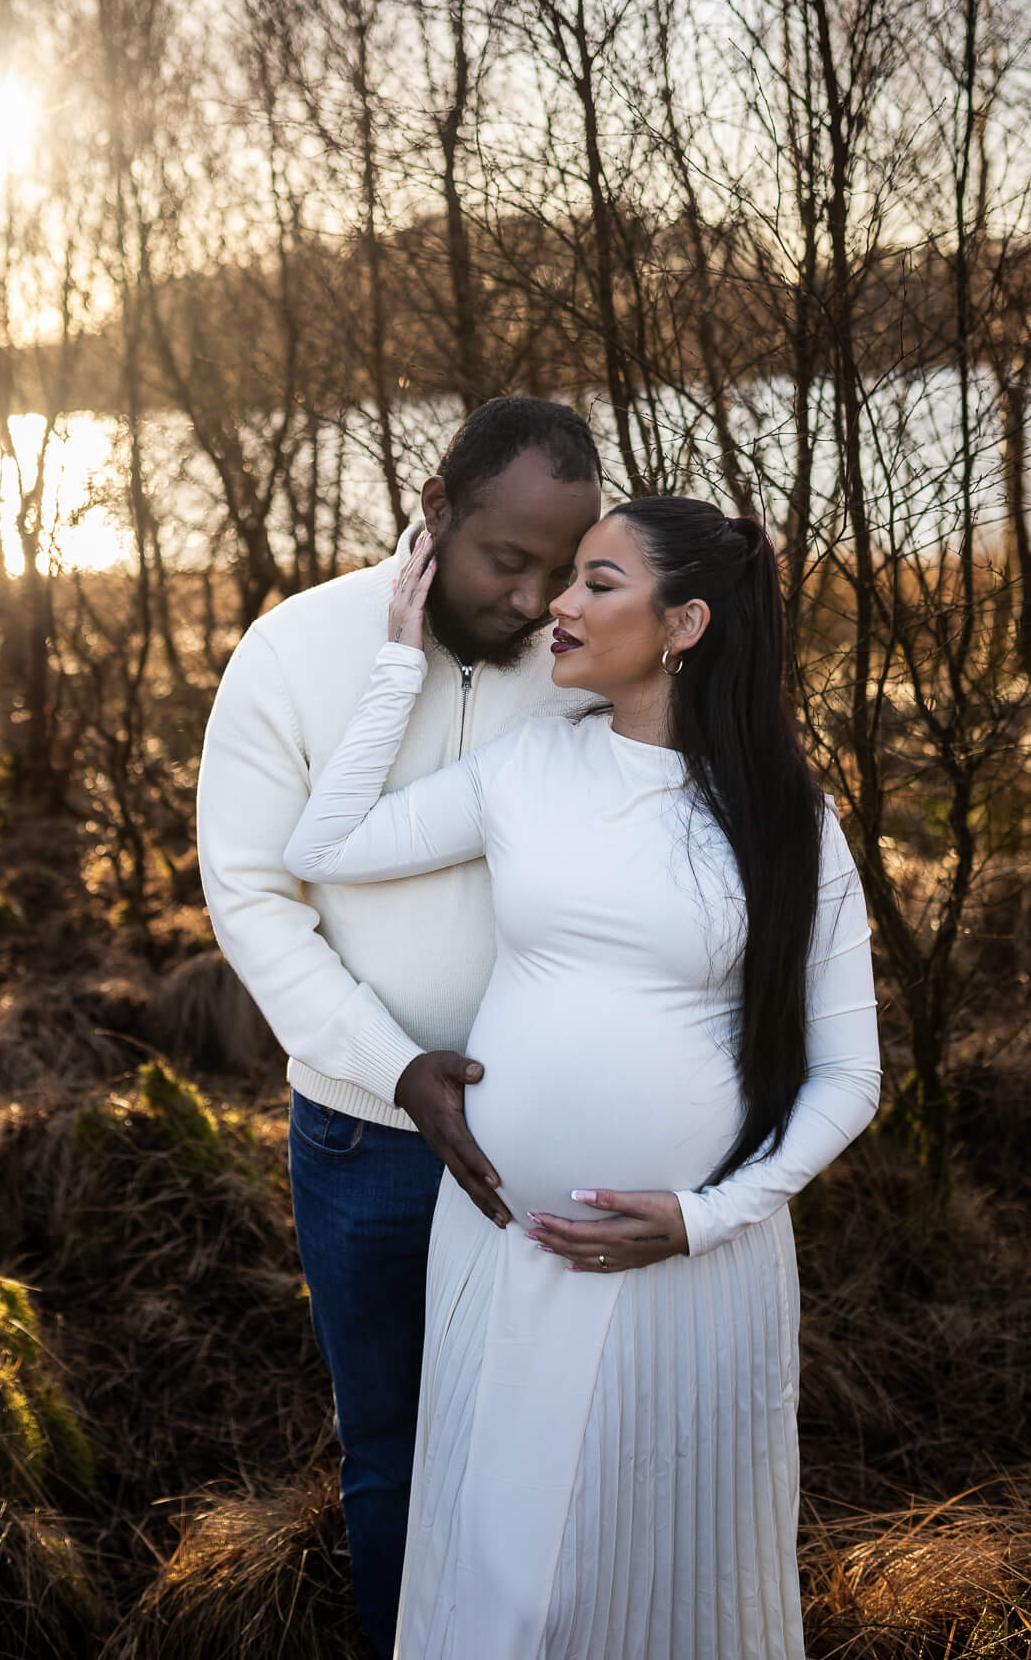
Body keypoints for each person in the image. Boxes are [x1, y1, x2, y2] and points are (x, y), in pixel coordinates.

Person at [283, 498, 881, 1660]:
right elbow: (324, 847)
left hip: (692, 1279)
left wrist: (708, 1218)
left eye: (597, 581)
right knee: (504, 1589)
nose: (558, 602)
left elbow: (850, 1074)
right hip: (504, 1247)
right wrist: (399, 664)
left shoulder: (785, 821)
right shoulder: (531, 766)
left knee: (664, 1581)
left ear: (684, 621)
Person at [196, 398, 604, 1657]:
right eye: (509, 560)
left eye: (564, 563)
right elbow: (255, 896)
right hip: (363, 1142)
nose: (539, 599)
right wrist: (394, 1063)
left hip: (546, 1133)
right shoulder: (296, 646)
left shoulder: (591, 671)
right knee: (393, 1448)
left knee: (550, 1446)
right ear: (435, 508)